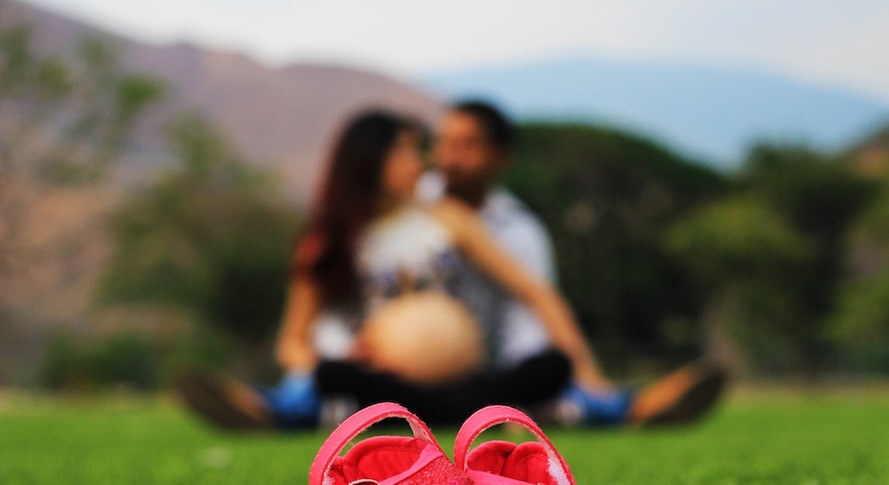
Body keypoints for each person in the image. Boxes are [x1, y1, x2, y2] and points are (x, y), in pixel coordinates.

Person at [177, 107, 724, 430]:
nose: (427, 163)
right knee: (326, 378)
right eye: (412, 152)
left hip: (466, 377)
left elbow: (533, 292)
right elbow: (292, 342)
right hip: (376, 383)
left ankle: (628, 404)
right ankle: (263, 409)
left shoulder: (449, 220)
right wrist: (337, 356)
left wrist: (586, 368)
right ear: (376, 162)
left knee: (548, 368)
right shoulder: (331, 238)